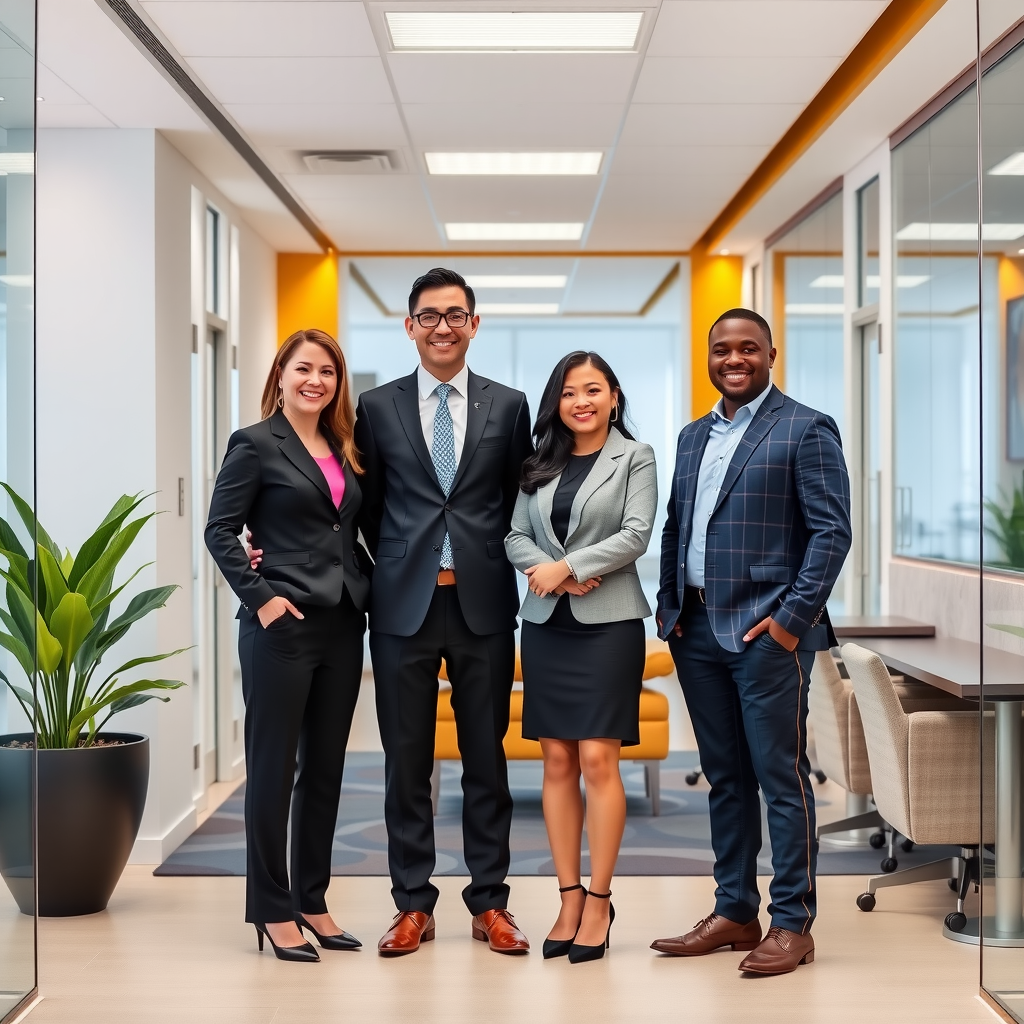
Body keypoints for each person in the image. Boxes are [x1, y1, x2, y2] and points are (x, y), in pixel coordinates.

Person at [650, 309, 851, 975]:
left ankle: (793, 923)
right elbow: (678, 526)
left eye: (748, 349)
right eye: (722, 350)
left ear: (770, 354)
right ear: (709, 357)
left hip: (767, 632)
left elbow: (831, 533)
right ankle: (735, 910)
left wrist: (791, 621)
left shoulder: (805, 428)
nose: (734, 359)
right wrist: (671, 607)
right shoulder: (692, 436)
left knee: (780, 777)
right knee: (725, 778)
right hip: (697, 630)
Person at [353, 268, 534, 957]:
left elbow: (518, 499)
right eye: (429, 316)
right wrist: (400, 562)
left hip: (483, 603)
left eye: (456, 315)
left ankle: (490, 903)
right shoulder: (377, 407)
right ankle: (412, 904)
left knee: (486, 758)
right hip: (403, 607)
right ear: (410, 327)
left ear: (474, 325)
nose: (443, 327)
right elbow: (368, 507)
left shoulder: (508, 406)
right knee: (406, 761)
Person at [205, 329, 370, 963]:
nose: (315, 381)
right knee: (273, 770)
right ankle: (272, 910)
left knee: (325, 770)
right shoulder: (254, 443)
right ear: (281, 374)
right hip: (281, 625)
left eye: (327, 372)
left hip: (342, 622)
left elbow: (344, 529)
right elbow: (220, 529)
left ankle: (313, 900)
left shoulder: (343, 446)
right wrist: (262, 597)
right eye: (304, 369)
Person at [505, 351, 657, 964]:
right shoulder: (538, 462)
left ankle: (599, 899)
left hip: (609, 624)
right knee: (557, 761)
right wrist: (553, 576)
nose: (581, 402)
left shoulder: (635, 457)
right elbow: (514, 534)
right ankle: (568, 897)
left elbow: (637, 533)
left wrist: (568, 566)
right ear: (557, 403)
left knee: (598, 758)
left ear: (613, 397)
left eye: (592, 390)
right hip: (547, 624)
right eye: (569, 392)